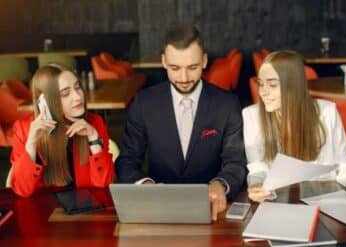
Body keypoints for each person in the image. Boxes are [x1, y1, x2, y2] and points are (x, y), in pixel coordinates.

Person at [115, 25, 247, 220]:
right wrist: (145, 185)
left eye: (192, 68)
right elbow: (127, 160)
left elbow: (235, 162)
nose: (183, 78)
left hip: (213, 211)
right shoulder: (143, 103)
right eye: (175, 68)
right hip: (157, 211)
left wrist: (221, 184)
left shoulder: (228, 105)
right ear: (163, 62)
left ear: (203, 61)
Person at [243, 50, 346, 202]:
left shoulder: (326, 112)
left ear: (294, 85)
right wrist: (257, 184)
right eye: (261, 84)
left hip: (324, 200)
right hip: (278, 202)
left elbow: (345, 164)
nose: (263, 92)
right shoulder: (251, 116)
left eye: (273, 85)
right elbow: (258, 168)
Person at [10, 64, 114, 197]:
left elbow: (103, 183)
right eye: (65, 93)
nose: (77, 96)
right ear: (44, 101)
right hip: (45, 210)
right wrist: (31, 144)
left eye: (77, 87)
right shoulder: (24, 129)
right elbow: (22, 190)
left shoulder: (94, 123)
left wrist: (93, 137)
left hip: (86, 206)